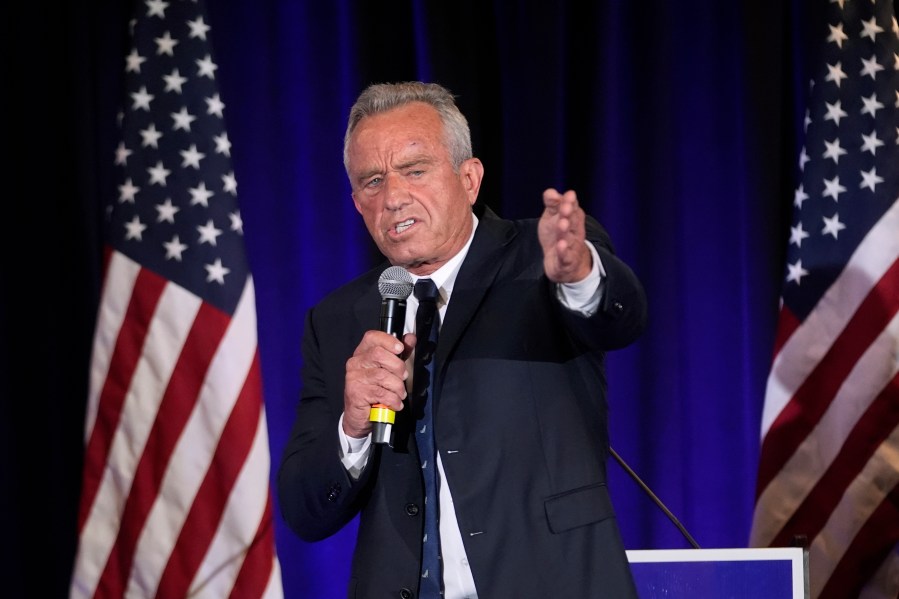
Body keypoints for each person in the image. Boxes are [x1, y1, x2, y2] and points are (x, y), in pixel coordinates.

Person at [277, 81, 648, 599]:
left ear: (469, 178)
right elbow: (303, 510)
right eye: (373, 180)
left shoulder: (536, 264)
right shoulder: (338, 319)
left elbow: (619, 319)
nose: (393, 197)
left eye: (415, 170)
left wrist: (579, 274)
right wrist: (353, 426)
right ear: (356, 201)